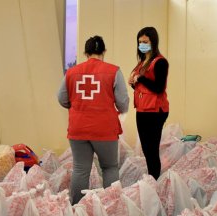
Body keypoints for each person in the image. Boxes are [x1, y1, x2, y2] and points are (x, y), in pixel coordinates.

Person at [58, 35, 129, 204]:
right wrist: (120, 111)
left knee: (80, 169)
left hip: (78, 129)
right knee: (110, 167)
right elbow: (123, 100)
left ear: (85, 53)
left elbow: (61, 97)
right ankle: (112, 207)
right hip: (104, 129)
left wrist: (76, 106)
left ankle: (77, 209)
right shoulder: (114, 71)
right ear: (103, 52)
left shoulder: (72, 72)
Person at [128, 26, 169, 180]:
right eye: (140, 42)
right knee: (146, 149)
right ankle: (152, 178)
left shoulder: (160, 62)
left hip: (155, 111)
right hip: (142, 110)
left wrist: (141, 78)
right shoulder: (142, 62)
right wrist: (133, 82)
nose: (142, 45)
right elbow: (141, 86)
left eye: (145, 41)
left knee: (152, 149)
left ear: (153, 41)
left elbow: (158, 88)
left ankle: (155, 181)